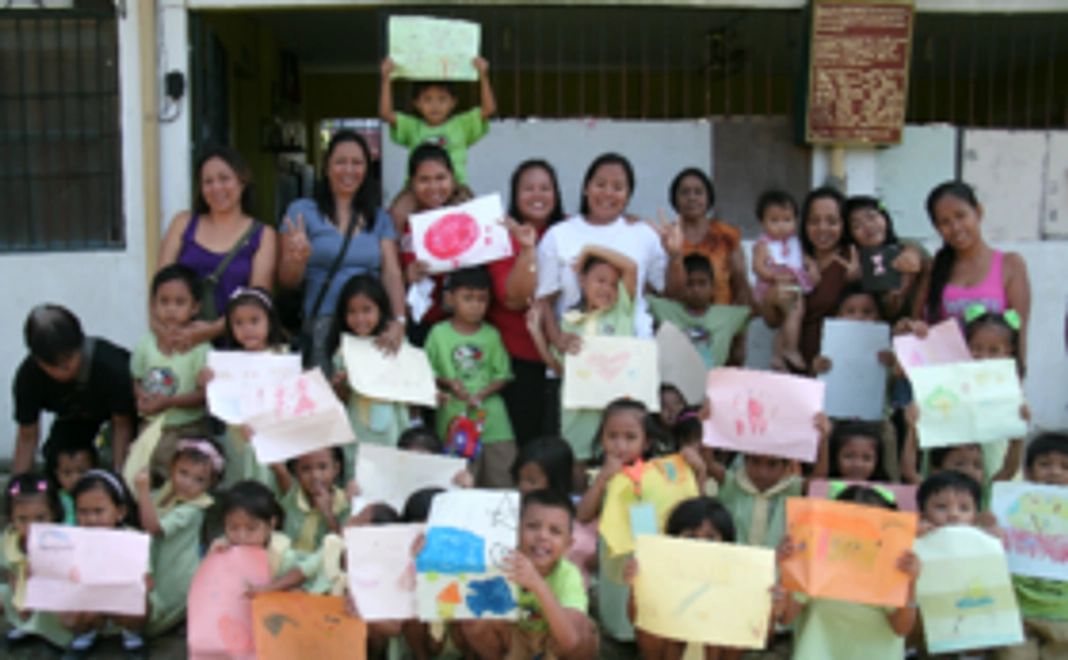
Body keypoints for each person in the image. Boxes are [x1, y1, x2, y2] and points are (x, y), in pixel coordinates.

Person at [575, 399, 704, 643]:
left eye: (630, 437)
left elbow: (692, 504)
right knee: (620, 591)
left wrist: (699, 471)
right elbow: (583, 514)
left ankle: (652, 636)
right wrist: (603, 479)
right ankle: (619, 632)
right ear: (601, 439)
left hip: (655, 552)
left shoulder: (666, 473)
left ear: (647, 442)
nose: (620, 445)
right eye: (612, 436)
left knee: (654, 596)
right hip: (618, 555)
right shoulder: (602, 474)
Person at [278, 130, 406, 371]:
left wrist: (399, 320)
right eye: (340, 162)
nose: (349, 170)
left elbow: (392, 273)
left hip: (370, 325)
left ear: (367, 170)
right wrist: (298, 260)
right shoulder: (301, 211)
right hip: (321, 326)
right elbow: (287, 281)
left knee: (367, 403)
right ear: (326, 168)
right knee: (325, 402)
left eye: (357, 163)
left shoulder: (379, 218)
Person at [535, 152, 686, 347]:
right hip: (576, 355)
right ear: (586, 188)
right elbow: (544, 299)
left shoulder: (643, 234)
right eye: (600, 184)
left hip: (634, 353)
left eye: (618, 187)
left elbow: (672, 293)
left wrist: (675, 255)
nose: (608, 193)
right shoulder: (558, 235)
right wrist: (557, 339)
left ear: (628, 195)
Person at [528, 246, 638, 486]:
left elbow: (630, 267)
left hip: (616, 402)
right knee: (578, 462)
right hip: (578, 406)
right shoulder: (570, 322)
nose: (607, 288)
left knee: (618, 458)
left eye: (613, 284)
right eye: (600, 280)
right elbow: (558, 368)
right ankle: (582, 512)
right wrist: (538, 335)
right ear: (582, 280)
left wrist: (589, 250)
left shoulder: (621, 312)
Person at [777, 485, 922, 660]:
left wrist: (910, 583)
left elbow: (901, 629)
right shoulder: (814, 565)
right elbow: (785, 617)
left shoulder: (891, 567)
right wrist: (787, 568)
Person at [451, 489, 598, 660]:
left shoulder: (569, 574)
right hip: (514, 636)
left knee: (583, 632)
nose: (542, 536)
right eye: (532, 526)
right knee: (472, 619)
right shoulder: (500, 558)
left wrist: (537, 584)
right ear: (515, 531)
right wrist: (428, 551)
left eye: (555, 531)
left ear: (568, 545)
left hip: (553, 641)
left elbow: (570, 642)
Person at [157, 146, 277, 348]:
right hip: (182, 345)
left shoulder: (263, 235)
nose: (216, 188)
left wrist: (211, 331)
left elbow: (258, 301)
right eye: (208, 182)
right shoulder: (183, 223)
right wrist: (166, 332)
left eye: (224, 179)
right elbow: (158, 288)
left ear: (242, 180)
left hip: (236, 347)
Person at [488, 160, 567, 446]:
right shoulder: (501, 236)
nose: (537, 195)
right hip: (517, 363)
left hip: (568, 359)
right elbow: (514, 299)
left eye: (545, 188)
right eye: (528, 188)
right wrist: (527, 250)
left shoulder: (571, 230)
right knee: (527, 451)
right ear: (514, 194)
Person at [912, 180, 1031, 365]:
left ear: (978, 212)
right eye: (945, 222)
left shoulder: (1010, 265)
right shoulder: (933, 269)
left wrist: (1018, 378)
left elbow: (1019, 333)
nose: (956, 227)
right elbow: (916, 323)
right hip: (943, 382)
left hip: (991, 380)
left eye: (961, 215)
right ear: (937, 228)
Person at [12, 305, 136, 474]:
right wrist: (17, 487)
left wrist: (120, 475)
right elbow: (27, 436)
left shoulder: (113, 367)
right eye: (54, 366)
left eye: (69, 360)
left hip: (128, 416)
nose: (64, 370)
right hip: (76, 417)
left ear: (81, 343)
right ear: (38, 361)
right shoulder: (28, 378)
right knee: (58, 456)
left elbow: (122, 424)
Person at [379, 56, 496, 226]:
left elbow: (488, 109)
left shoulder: (461, 125)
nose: (435, 106)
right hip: (416, 188)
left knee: (472, 220)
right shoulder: (413, 127)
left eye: (442, 99)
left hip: (457, 187)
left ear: (453, 102)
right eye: (427, 99)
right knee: (397, 214)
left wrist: (483, 75)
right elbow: (387, 114)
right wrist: (386, 78)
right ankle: (394, 252)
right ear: (417, 104)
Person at [425, 267, 515, 487]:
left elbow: (503, 375)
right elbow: (425, 372)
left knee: (501, 477)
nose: (475, 305)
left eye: (481, 299)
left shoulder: (491, 334)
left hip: (493, 422)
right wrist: (448, 383)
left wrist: (482, 393)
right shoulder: (438, 334)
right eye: (467, 298)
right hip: (454, 421)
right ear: (449, 298)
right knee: (459, 483)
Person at [625, 496, 741, 660]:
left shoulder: (737, 574)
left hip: (716, 652)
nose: (700, 545)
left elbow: (761, 632)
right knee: (652, 622)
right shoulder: (659, 568)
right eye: (691, 537)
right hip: (667, 652)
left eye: (710, 538)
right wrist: (634, 586)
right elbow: (635, 617)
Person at [198, 287, 290, 491]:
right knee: (240, 483)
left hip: (272, 435)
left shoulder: (283, 358)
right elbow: (219, 402)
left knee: (270, 483)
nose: (247, 329)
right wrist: (208, 382)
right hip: (237, 438)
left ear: (270, 321)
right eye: (238, 323)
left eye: (254, 321)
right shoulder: (227, 364)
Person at [132, 264, 211, 484]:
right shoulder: (146, 343)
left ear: (195, 307)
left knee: (181, 485)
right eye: (164, 302)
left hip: (186, 430)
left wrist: (171, 402)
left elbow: (205, 395)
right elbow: (137, 378)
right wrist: (140, 396)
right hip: (149, 427)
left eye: (179, 302)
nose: (170, 309)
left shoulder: (200, 349)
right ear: (152, 305)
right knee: (145, 480)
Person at [135, 439, 223, 637]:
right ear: (172, 466)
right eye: (183, 473)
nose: (188, 483)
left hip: (177, 575)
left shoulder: (193, 509)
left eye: (199, 480)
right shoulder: (164, 494)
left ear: (211, 483)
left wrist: (142, 492)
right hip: (161, 563)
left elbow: (152, 527)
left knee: (161, 610)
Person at [763, 187, 856, 368]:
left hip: (839, 369)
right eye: (814, 221)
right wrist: (770, 299)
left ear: (843, 224)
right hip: (796, 370)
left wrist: (858, 278)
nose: (823, 228)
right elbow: (772, 321)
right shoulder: (791, 257)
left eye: (832, 221)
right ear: (804, 224)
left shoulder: (852, 260)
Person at [327, 275, 411, 472]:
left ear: (381, 309)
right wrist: (338, 384)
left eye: (367, 310)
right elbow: (346, 400)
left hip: (394, 431)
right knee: (361, 481)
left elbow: (412, 386)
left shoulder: (397, 344)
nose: (360, 319)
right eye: (352, 312)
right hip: (359, 433)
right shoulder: (343, 351)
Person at [59, 469, 147, 653]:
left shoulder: (132, 539)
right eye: (83, 511)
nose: (91, 519)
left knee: (139, 602)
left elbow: (147, 582)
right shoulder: (72, 541)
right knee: (66, 609)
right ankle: (85, 635)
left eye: (99, 511)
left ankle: (131, 635)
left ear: (120, 511)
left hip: (121, 601)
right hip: (90, 604)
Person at [398, 144, 475, 348]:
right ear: (412, 183)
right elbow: (387, 272)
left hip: (461, 326)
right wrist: (406, 277)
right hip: (418, 326)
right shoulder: (402, 221)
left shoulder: (470, 218)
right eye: (424, 180)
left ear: (452, 177)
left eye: (440, 178)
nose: (433, 187)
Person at [999, 433, 1068, 660]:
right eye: (1045, 464)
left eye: (1065, 466)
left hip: (1063, 617)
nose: (1055, 472)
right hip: (1018, 615)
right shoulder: (1011, 504)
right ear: (1028, 471)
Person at [207, 480, 323, 595]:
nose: (241, 536)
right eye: (233, 528)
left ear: (271, 525)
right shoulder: (221, 548)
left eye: (251, 528)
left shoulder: (283, 557)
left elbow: (315, 571)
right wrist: (215, 559)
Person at [751, 190, 821, 373]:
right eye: (774, 221)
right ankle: (790, 350)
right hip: (774, 284)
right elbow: (757, 266)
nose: (781, 226)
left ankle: (777, 356)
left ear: (796, 220)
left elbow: (803, 258)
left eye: (787, 220)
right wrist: (773, 277)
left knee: (788, 321)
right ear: (762, 222)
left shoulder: (795, 241)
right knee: (796, 311)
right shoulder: (764, 244)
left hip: (792, 283)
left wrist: (812, 266)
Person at [647, 253, 752, 370]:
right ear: (680, 284)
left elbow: (755, 311)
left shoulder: (726, 315)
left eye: (702, 283)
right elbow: (640, 295)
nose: (696, 290)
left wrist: (740, 274)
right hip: (677, 379)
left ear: (712, 287)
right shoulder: (666, 309)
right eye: (689, 284)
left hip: (713, 380)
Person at [1, 474, 72, 648]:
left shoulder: (63, 539)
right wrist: (22, 602)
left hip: (56, 600)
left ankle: (53, 635)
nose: (32, 527)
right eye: (22, 519)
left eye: (40, 518)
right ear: (11, 518)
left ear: (54, 513)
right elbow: (11, 574)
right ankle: (26, 627)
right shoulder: (9, 540)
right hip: (24, 597)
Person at [842, 195, 926, 321]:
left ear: (884, 217)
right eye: (857, 226)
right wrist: (855, 284)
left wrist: (912, 261)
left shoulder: (908, 247)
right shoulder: (853, 262)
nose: (868, 227)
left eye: (872, 217)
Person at [275, 447, 349, 553]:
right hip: (287, 566)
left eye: (323, 467)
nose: (315, 475)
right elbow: (278, 468)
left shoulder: (344, 505)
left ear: (336, 469)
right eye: (306, 468)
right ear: (296, 471)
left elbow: (343, 549)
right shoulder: (293, 494)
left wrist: (329, 514)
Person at [813, 419, 891, 483]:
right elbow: (817, 480)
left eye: (867, 458)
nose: (858, 465)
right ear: (835, 456)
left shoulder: (886, 491)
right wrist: (824, 440)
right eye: (849, 456)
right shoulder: (825, 486)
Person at [44, 443, 96, 525]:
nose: (75, 479)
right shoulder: (53, 499)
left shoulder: (98, 497)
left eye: (82, 472)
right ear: (56, 474)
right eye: (67, 473)